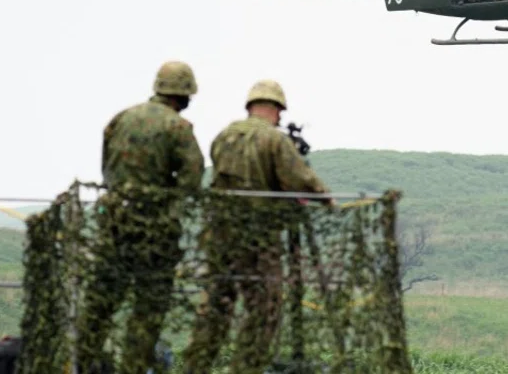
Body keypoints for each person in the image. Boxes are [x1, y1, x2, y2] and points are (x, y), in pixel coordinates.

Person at [182, 79, 331, 374]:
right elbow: (300, 179)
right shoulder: (274, 140)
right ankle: (245, 369)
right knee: (263, 309)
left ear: (250, 106)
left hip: (220, 236)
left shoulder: (224, 137)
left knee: (215, 306)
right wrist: (326, 199)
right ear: (276, 109)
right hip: (258, 240)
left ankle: (195, 367)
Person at [76, 61, 205, 374]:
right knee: (146, 311)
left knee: (99, 304)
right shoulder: (177, 128)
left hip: (114, 225)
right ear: (185, 94)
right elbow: (192, 177)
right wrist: (166, 194)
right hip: (155, 233)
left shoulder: (120, 119)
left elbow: (107, 169)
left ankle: (78, 364)